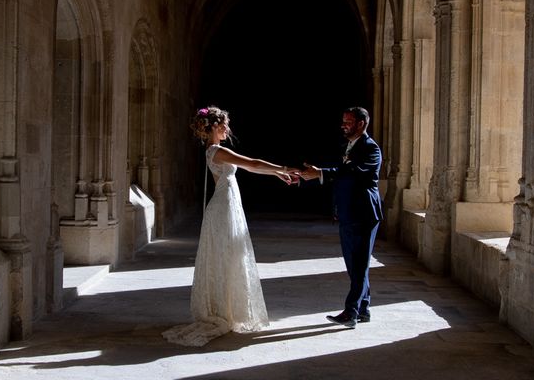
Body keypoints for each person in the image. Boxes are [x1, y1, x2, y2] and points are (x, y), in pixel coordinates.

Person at [162, 105, 299, 347]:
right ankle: (221, 311)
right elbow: (253, 163)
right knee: (228, 256)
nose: (228, 128)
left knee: (229, 256)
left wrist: (277, 174)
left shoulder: (214, 150)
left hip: (227, 205)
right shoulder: (216, 150)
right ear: (214, 127)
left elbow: (252, 167)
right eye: (224, 124)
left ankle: (226, 308)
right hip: (223, 208)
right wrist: (283, 168)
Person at [300, 106, 383, 328]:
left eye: (348, 121)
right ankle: (364, 309)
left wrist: (321, 173)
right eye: (343, 121)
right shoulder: (348, 146)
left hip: (365, 213)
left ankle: (351, 312)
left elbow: (353, 174)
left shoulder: (371, 149)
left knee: (359, 265)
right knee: (353, 265)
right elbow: (342, 178)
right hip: (349, 213)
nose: (343, 124)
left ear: (361, 124)